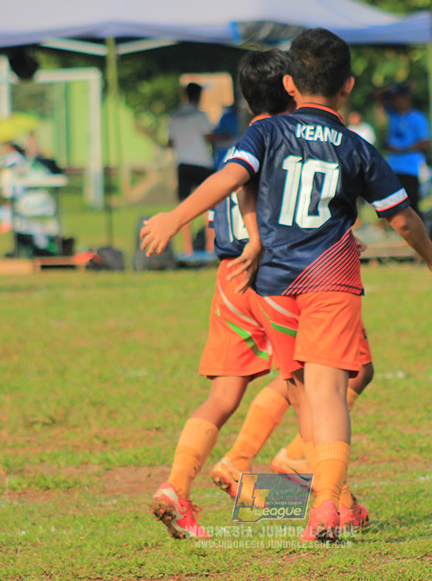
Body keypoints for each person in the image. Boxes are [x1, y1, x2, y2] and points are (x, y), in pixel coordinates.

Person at [142, 28, 432, 543]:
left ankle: (230, 479)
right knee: (329, 392)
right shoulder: (357, 146)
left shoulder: (263, 135)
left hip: (266, 282)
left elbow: (230, 180)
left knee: (295, 391)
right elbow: (401, 219)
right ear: (348, 85)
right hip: (327, 276)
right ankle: (328, 505)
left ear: (292, 82)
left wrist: (175, 218)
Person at [148, 50, 293, 540]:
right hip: (271, 273)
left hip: (229, 276)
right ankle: (325, 497)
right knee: (320, 376)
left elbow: (221, 205)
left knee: (223, 394)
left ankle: (175, 486)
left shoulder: (235, 146)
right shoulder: (284, 142)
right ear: (293, 89)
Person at [167, 82, 215, 256]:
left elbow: (170, 141)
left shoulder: (174, 115)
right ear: (198, 95)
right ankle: (210, 246)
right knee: (210, 205)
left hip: (183, 163)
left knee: (184, 206)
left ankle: (188, 249)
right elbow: (209, 136)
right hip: (202, 162)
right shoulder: (200, 115)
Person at [377, 83, 431, 213]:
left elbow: (425, 143)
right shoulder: (393, 115)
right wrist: (393, 87)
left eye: (398, 98)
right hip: (393, 167)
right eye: (393, 99)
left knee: (411, 204)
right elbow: (378, 96)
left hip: (410, 168)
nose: (395, 102)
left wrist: (402, 150)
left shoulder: (417, 118)